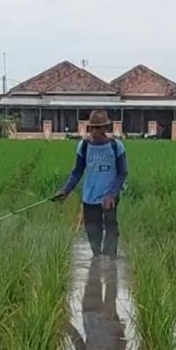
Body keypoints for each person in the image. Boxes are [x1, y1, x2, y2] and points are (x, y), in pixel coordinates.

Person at [52, 110, 127, 258]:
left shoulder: (116, 146)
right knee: (93, 231)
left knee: (111, 229)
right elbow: (77, 172)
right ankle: (97, 261)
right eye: (92, 128)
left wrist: (112, 194)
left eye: (98, 128)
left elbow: (122, 174)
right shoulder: (84, 146)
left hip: (109, 198)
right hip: (90, 197)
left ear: (106, 129)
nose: (94, 132)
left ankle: (110, 262)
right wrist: (66, 190)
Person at [66, 258, 126, 350]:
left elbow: (78, 342)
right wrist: (116, 323)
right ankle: (109, 261)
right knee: (111, 289)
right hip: (108, 318)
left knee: (93, 280)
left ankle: (97, 259)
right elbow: (122, 342)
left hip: (90, 315)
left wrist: (66, 326)